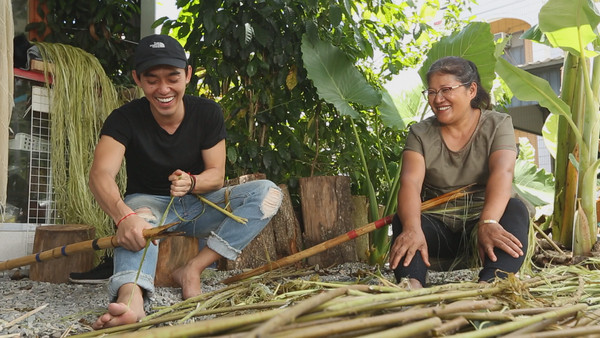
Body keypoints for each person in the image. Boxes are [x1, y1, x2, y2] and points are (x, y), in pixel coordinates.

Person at [89, 34, 283, 329]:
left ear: (188, 75)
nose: (164, 89)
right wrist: (123, 216)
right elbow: (100, 174)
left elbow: (216, 175)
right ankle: (132, 300)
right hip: (147, 206)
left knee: (268, 193)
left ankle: (192, 268)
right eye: (152, 79)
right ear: (137, 79)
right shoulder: (123, 118)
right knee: (137, 223)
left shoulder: (207, 113)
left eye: (173, 77)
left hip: (199, 204)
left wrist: (192, 183)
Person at [388, 56, 529, 289]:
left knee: (516, 210)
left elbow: (503, 172)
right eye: (432, 92)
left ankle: (492, 283)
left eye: (446, 90)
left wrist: (488, 221)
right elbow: (410, 182)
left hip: (483, 226)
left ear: (471, 90)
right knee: (405, 220)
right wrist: (413, 228)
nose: (438, 99)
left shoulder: (498, 124)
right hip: (439, 227)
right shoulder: (420, 133)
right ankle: (411, 285)